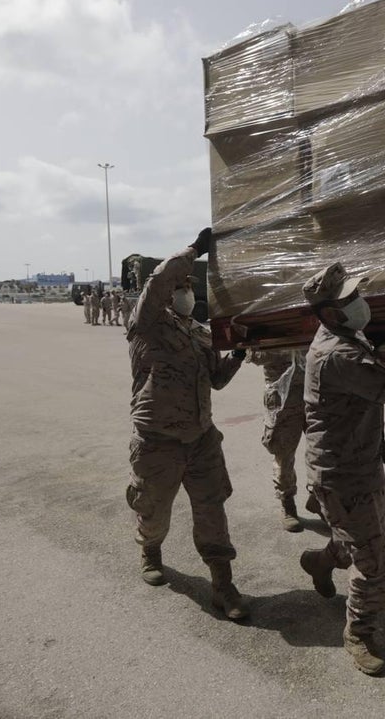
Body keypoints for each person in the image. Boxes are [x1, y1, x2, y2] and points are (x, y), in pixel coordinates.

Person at [296, 262, 385, 675]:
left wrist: (382, 350)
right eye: (350, 299)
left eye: (358, 294)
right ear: (329, 312)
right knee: (376, 566)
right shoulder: (337, 353)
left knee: (358, 541)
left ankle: (320, 562)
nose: (360, 302)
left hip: (359, 464)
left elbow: (370, 373)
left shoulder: (344, 338)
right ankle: (359, 633)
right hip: (342, 476)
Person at [124, 228, 250, 621]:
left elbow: (216, 380)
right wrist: (194, 250)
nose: (185, 292)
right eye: (181, 286)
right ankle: (150, 549)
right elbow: (159, 280)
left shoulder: (199, 332)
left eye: (189, 287)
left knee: (212, 510)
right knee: (154, 508)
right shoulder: (147, 321)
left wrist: (237, 356)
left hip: (201, 438)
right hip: (158, 439)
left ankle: (223, 584)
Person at [248, 348, 308, 531]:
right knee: (284, 453)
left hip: (316, 389)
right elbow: (255, 356)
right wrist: (285, 347)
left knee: (325, 451)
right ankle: (287, 502)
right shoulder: (266, 328)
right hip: (283, 396)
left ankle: (321, 500)